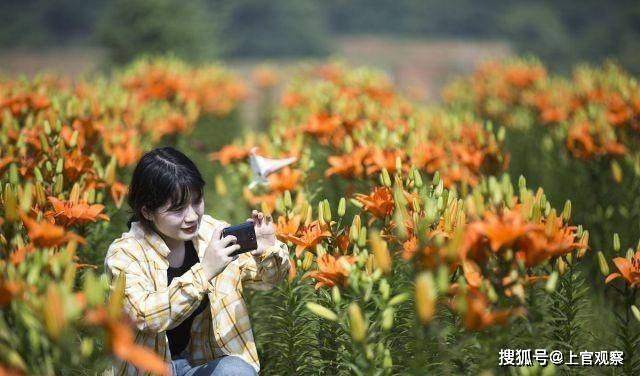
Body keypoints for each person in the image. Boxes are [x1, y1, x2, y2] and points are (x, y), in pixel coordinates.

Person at [104, 146, 290, 376]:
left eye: (197, 200)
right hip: (149, 371)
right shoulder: (124, 254)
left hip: (198, 365)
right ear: (147, 211)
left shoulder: (210, 232)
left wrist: (266, 251)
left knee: (236, 371)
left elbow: (265, 280)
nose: (192, 216)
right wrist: (205, 271)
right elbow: (145, 317)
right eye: (178, 208)